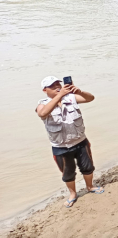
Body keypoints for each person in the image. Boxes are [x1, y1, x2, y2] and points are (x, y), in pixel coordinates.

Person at [36, 76, 102, 208]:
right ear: (45, 90)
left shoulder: (70, 98)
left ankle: (90, 186)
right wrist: (59, 96)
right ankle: (73, 194)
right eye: (52, 86)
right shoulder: (43, 103)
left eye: (57, 84)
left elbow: (90, 98)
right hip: (61, 147)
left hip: (80, 141)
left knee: (88, 167)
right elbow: (42, 113)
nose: (56, 87)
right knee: (68, 173)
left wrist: (79, 91)